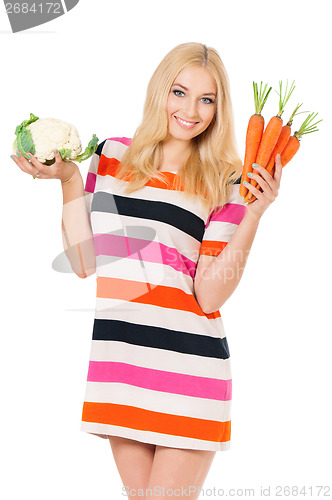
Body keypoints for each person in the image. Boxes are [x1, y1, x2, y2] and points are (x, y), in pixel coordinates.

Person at [11, 42, 282, 499]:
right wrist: (71, 181)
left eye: (206, 99)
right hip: (120, 366)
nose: (191, 110)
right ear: (161, 90)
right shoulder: (112, 155)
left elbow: (210, 297)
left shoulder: (226, 181)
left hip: (188, 371)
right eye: (180, 92)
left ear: (219, 109)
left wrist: (254, 214)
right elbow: (83, 263)